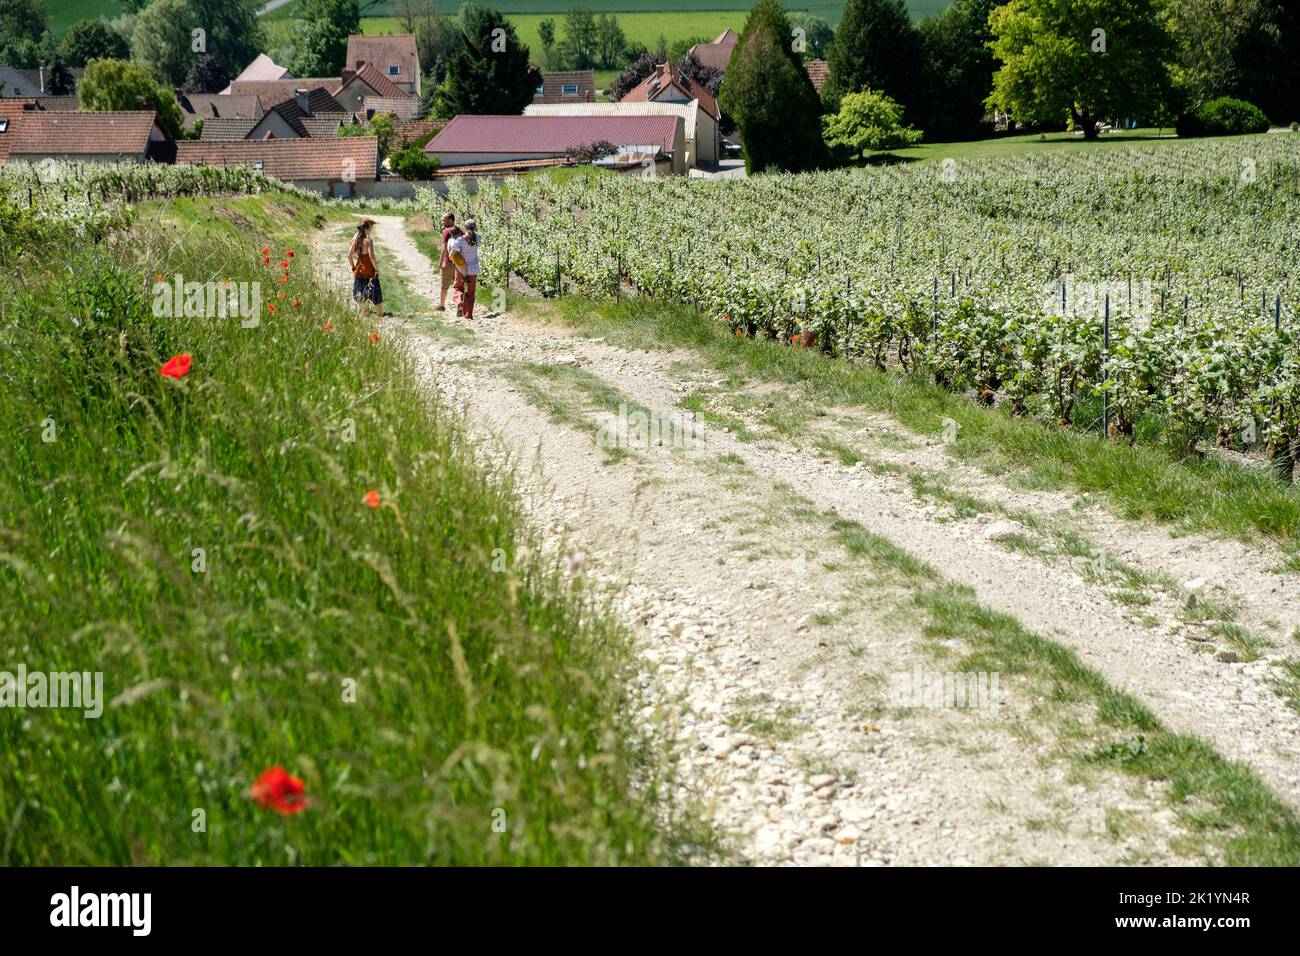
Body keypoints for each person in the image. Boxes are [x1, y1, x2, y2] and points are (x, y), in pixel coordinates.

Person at [348, 218, 382, 317]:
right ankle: (379, 315)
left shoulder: (356, 241)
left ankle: (364, 315)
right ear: (366, 229)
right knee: (376, 295)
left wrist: (353, 267)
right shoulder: (368, 241)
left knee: (361, 295)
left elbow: (349, 255)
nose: (371, 231)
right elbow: (371, 257)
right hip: (369, 271)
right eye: (370, 229)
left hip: (359, 270)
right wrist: (376, 269)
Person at [447, 218, 480, 319]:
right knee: (471, 292)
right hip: (473, 269)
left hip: (461, 268)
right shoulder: (478, 238)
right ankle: (468, 314)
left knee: (458, 287)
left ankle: (460, 303)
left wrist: (453, 260)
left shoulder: (460, 240)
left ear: (465, 228)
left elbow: (452, 254)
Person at [436, 211, 456, 311]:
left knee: (444, 285)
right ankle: (460, 305)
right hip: (459, 262)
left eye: (445, 219)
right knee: (458, 285)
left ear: (451, 220)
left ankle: (441, 304)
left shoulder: (446, 231)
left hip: (448, 261)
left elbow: (444, 248)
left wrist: (440, 262)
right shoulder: (459, 230)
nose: (443, 221)